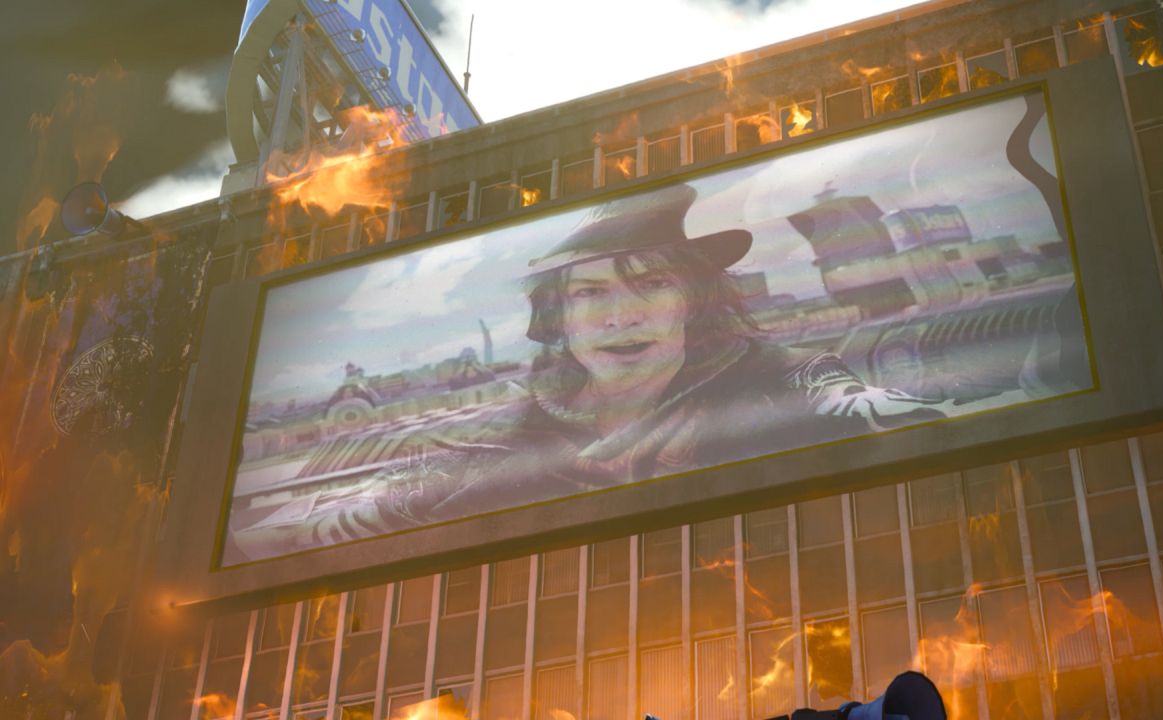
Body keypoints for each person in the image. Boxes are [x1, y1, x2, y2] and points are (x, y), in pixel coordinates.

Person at [228, 184, 945, 562]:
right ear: (559, 317)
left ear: (692, 300)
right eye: (592, 292)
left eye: (651, 284)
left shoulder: (778, 377)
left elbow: (855, 403)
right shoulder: (500, 435)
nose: (621, 316)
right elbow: (349, 518)